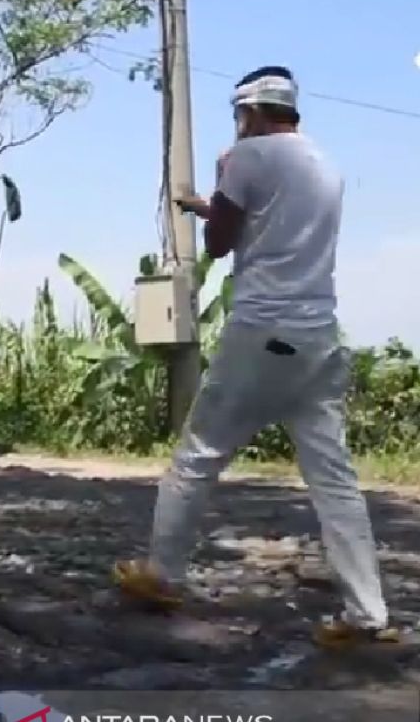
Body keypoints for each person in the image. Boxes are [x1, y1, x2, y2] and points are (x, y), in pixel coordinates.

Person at [112, 65, 400, 650]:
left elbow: (221, 243)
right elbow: (267, 225)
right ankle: (367, 614)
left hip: (262, 329)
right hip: (318, 336)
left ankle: (162, 575)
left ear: (250, 112)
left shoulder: (246, 157)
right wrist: (207, 204)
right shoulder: (325, 164)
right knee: (335, 481)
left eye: (240, 117)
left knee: (198, 455)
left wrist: (219, 182)